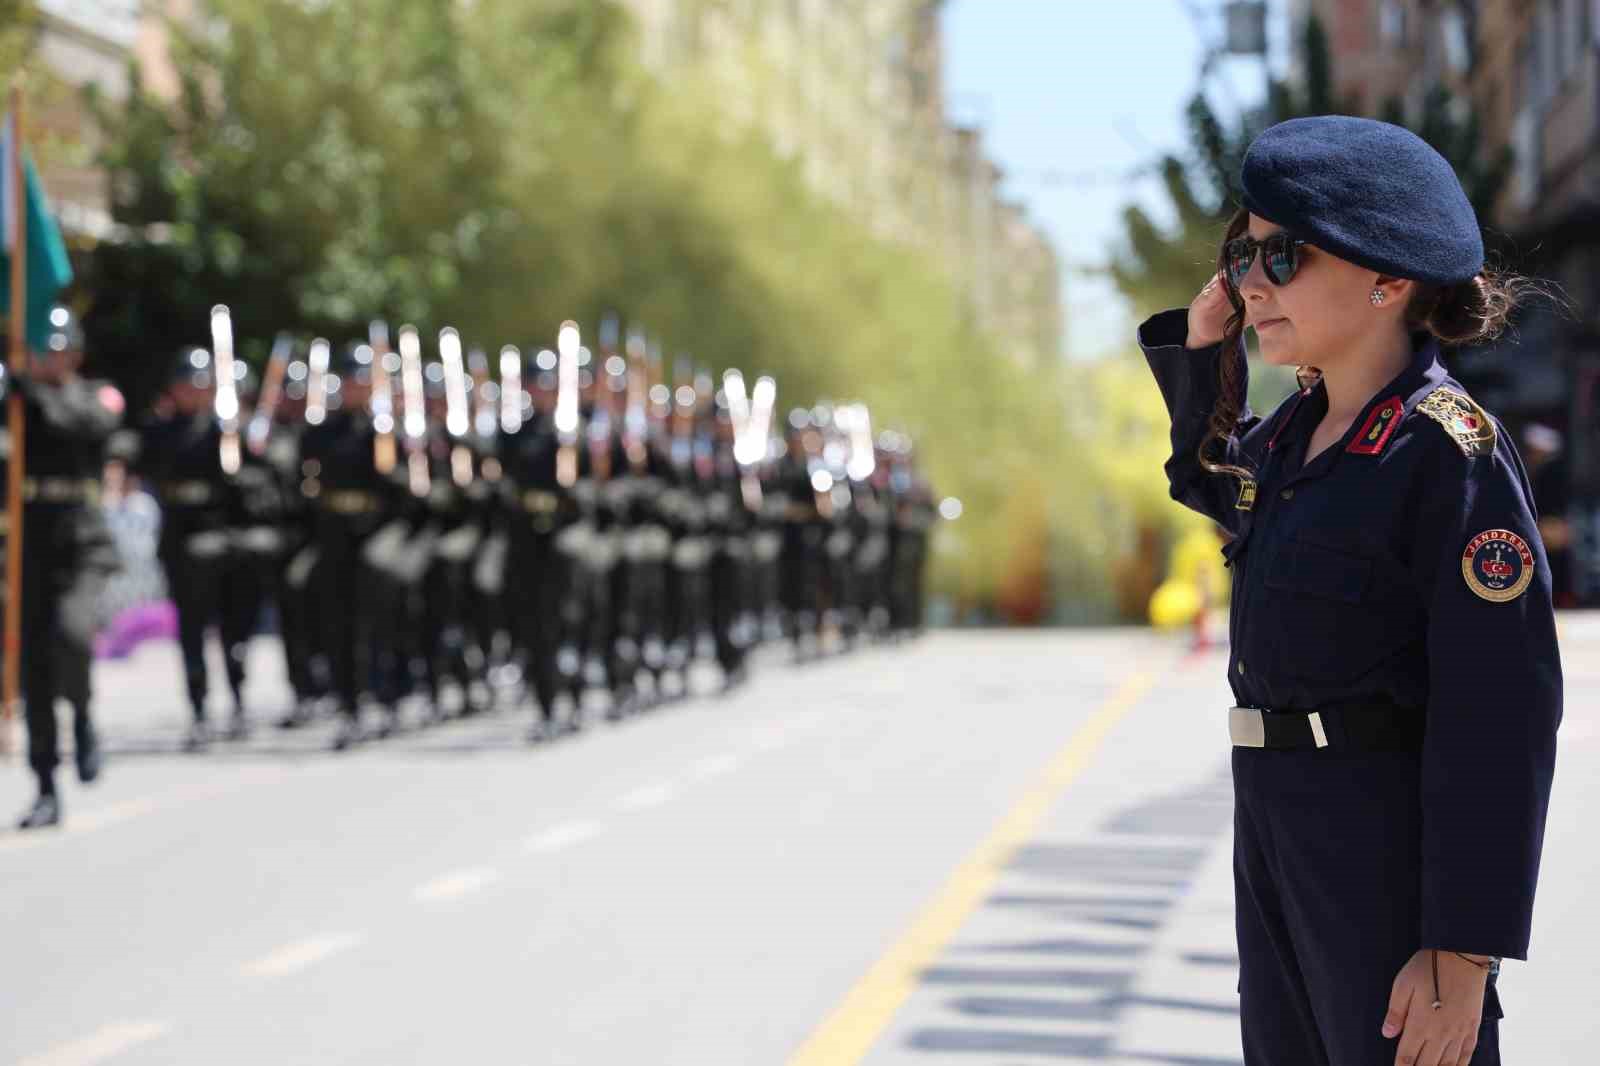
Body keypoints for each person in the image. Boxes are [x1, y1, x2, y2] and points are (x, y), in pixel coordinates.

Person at [1140, 116, 1562, 1066]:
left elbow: (1501, 713)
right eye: (1241, 254)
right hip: (1278, 831)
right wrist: (1208, 353)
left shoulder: (1444, 452)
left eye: (1282, 255)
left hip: (1382, 846)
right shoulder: (1294, 435)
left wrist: (1463, 949)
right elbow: (1211, 478)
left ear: (1389, 278)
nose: (1249, 281)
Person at [3, 306, 123, 829]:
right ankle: (46, 783)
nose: (47, 360)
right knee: (35, 668)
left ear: (73, 354)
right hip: (29, 541)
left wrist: (28, 392)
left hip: (82, 541)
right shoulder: (17, 404)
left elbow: (80, 426)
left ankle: (84, 717)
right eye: (39, 351)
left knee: (73, 637)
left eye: (56, 351)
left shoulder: (92, 398)